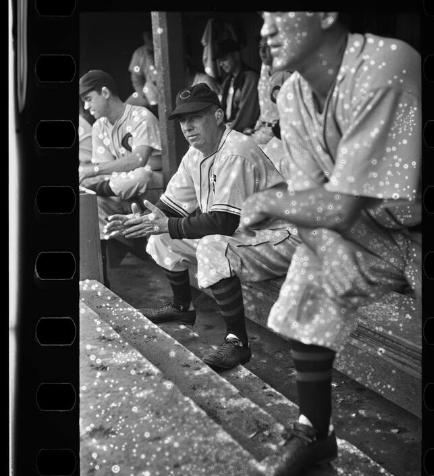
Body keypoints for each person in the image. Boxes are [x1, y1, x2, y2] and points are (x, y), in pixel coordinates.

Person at [241, 12, 421, 476]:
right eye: (263, 17)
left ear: (325, 13)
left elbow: (332, 205)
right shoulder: (296, 94)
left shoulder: (386, 63)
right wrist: (328, 247)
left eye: (279, 13)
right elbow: (309, 198)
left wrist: (269, 201)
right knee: (309, 273)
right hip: (373, 227)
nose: (266, 29)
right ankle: (314, 431)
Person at [104, 83, 300, 371]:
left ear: (218, 116)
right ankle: (182, 307)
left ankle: (237, 343)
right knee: (160, 236)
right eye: (183, 120)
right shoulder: (196, 153)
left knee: (212, 246)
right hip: (245, 236)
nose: (187, 126)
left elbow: (223, 222)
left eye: (195, 117)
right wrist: (145, 220)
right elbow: (172, 206)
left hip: (281, 237)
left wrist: (166, 224)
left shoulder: (236, 150)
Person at [79, 69, 164, 285]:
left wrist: (92, 172)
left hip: (155, 187)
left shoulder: (140, 115)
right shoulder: (99, 126)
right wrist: (99, 174)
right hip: (121, 187)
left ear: (105, 92)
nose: (87, 107)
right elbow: (106, 168)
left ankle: (133, 244)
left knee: (140, 175)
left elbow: (139, 159)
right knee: (92, 203)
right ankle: (102, 278)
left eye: (89, 99)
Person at [247, 38, 291, 146]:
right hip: (263, 131)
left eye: (267, 47)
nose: (262, 51)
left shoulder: (288, 75)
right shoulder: (264, 73)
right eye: (260, 47)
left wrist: (275, 130)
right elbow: (265, 108)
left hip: (281, 134)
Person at [215, 39, 260, 133]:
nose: (221, 64)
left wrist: (227, 130)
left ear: (236, 55)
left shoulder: (250, 78)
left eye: (224, 59)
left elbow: (247, 113)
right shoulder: (227, 81)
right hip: (229, 129)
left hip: (244, 132)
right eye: (219, 61)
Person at [126, 30, 159, 113]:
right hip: (149, 90)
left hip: (170, 89)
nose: (150, 40)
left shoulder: (168, 48)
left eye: (151, 37)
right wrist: (145, 95)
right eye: (148, 37)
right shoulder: (139, 53)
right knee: (127, 109)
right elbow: (136, 81)